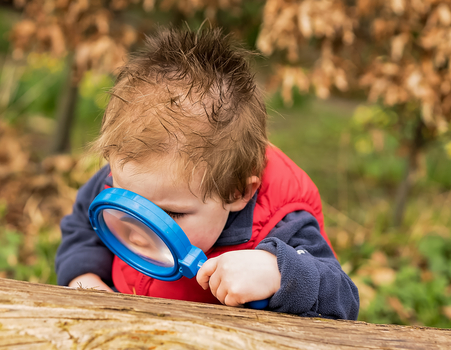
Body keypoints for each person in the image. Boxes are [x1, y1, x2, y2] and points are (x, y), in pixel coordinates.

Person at [55, 27, 359, 320]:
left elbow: (343, 297)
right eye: (124, 203)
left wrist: (278, 272)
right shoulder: (128, 175)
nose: (138, 231)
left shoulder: (281, 222)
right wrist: (86, 280)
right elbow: (82, 226)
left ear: (237, 192)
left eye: (170, 215)